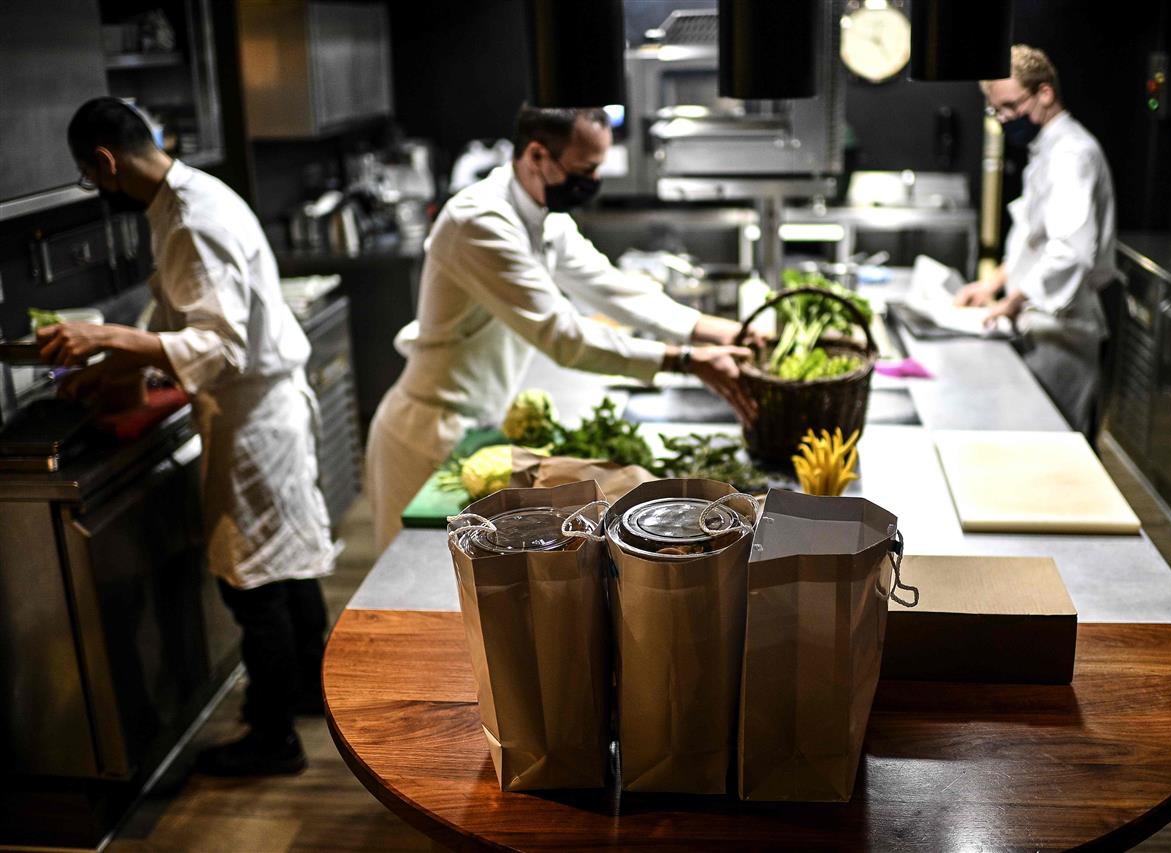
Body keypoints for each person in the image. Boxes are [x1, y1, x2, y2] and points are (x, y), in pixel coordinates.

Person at [40, 97, 337, 776]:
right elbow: (185, 316)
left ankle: (273, 737)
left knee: (251, 579)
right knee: (282, 560)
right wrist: (119, 366)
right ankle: (306, 687)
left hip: (252, 417)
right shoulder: (189, 195)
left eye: (90, 176)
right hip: (262, 409)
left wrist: (110, 339)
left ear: (104, 163)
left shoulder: (191, 219)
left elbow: (220, 345)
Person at [366, 106, 755, 552]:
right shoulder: (478, 221)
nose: (594, 179)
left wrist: (712, 330)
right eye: (585, 168)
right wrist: (684, 360)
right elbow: (562, 336)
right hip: (426, 436)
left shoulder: (546, 217)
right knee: (418, 580)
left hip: (478, 434)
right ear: (537, 155)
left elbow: (610, 287)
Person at [955, 45, 1117, 433]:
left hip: (1063, 330)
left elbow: (1070, 252)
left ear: (1045, 93)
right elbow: (1034, 238)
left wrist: (1011, 301)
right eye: (997, 111)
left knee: (1054, 443)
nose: (1006, 119)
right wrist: (992, 284)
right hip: (1040, 323)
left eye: (1011, 106)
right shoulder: (1045, 150)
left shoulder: (1071, 154)